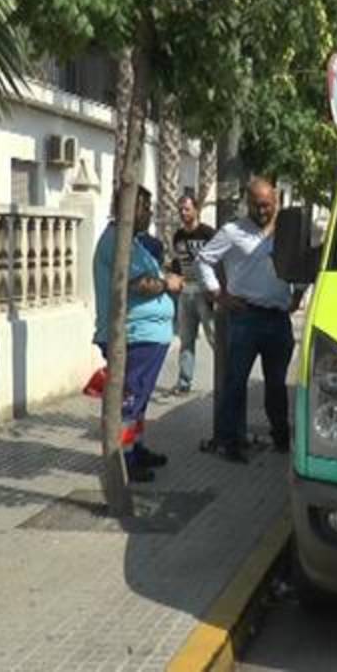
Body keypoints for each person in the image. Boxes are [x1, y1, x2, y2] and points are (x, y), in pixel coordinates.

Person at [196, 178, 298, 462]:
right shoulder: (232, 232)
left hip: (278, 320)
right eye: (256, 205)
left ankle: (281, 437)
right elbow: (203, 260)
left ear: (276, 202)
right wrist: (218, 295)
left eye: (266, 205)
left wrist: (299, 296)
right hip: (245, 318)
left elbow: (302, 263)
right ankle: (232, 443)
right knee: (236, 382)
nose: (262, 210)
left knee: (277, 385)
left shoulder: (285, 233)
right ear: (247, 203)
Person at [92, 185, 183, 482]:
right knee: (130, 400)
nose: (150, 213)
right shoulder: (116, 242)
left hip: (147, 335)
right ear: (130, 208)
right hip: (134, 334)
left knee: (139, 401)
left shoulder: (133, 242)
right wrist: (166, 283)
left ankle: (136, 447)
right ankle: (125, 458)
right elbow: (138, 284)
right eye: (146, 208)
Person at [169, 195, 217, 394]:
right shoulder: (178, 236)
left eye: (187, 209)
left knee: (215, 338)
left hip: (205, 292)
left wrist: (214, 290)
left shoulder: (208, 233)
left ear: (196, 210)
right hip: (186, 292)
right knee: (186, 340)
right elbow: (176, 264)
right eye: (181, 209)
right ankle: (184, 382)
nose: (183, 212)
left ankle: (223, 380)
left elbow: (219, 260)